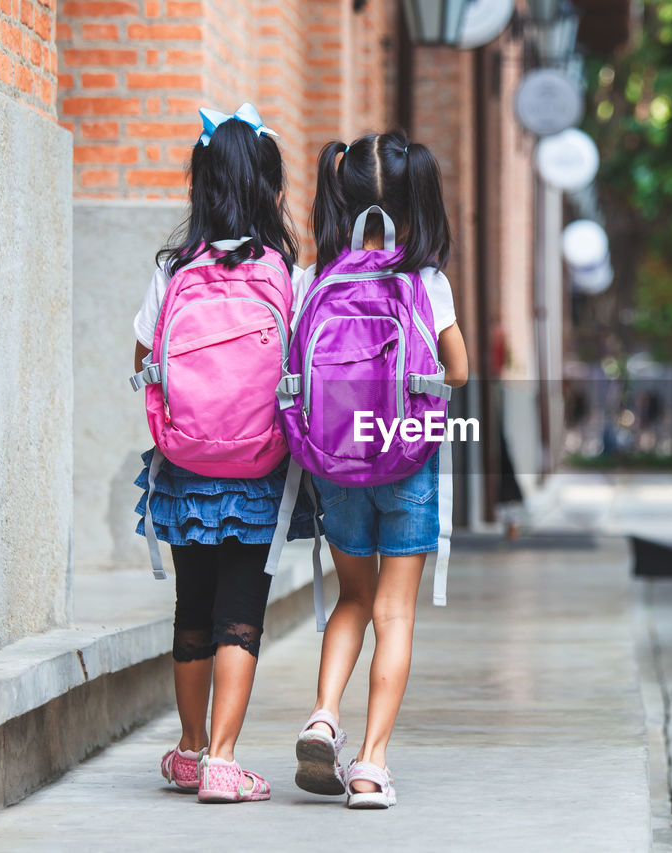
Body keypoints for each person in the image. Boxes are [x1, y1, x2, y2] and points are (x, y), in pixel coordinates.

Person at [131, 104, 316, 804]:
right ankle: (225, 758)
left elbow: (145, 358)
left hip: (184, 467)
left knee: (193, 607)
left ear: (201, 186)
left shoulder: (174, 270)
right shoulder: (285, 274)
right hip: (259, 468)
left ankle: (187, 747)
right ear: (271, 190)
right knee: (242, 610)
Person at [291, 131, 467, 809]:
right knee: (395, 611)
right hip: (407, 458)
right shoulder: (426, 281)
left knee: (352, 599)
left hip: (335, 463)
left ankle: (323, 713)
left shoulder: (316, 279)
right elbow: (458, 370)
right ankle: (369, 764)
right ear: (418, 199)